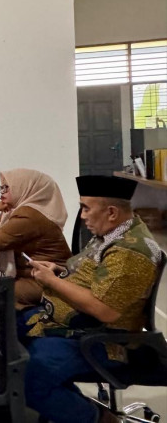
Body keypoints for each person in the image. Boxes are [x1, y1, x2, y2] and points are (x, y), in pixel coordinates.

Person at [20, 175, 163, 423]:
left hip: (102, 340)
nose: (83, 216)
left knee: (28, 377)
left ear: (111, 212)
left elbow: (104, 310)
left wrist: (52, 281)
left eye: (86, 208)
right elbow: (91, 276)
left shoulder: (130, 251)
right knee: (7, 335)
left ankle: (98, 418)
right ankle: (64, 405)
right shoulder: (113, 234)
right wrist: (58, 271)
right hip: (74, 326)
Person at [0, 168, 72, 308]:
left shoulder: (29, 215)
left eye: (6, 187)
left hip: (45, 279)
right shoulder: (13, 212)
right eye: (1, 187)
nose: (2, 193)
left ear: (24, 187)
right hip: (27, 274)